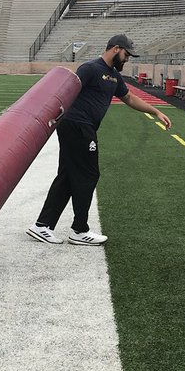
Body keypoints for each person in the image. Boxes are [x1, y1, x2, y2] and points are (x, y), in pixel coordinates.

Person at [27, 33, 171, 247]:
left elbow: (129, 98)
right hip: (77, 126)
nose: (127, 59)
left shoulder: (113, 75)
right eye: (126, 54)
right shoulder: (90, 69)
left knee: (67, 176)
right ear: (115, 49)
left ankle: (42, 225)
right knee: (89, 174)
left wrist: (155, 112)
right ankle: (79, 230)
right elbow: (66, 91)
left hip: (83, 128)